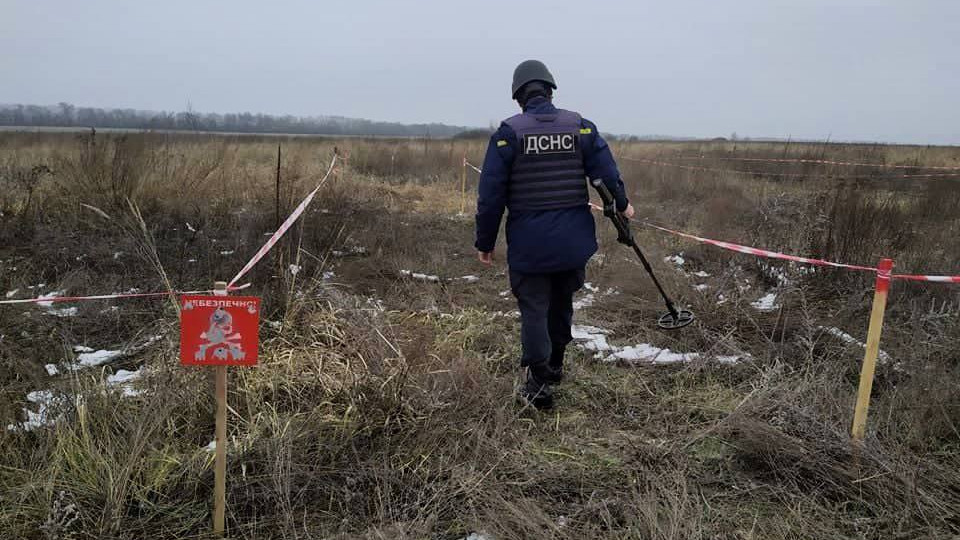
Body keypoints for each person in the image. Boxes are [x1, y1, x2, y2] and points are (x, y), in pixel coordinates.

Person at [475, 59, 633, 409]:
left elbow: (490, 198)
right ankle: (556, 364)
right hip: (573, 241)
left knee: (534, 306)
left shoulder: (508, 134)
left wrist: (484, 242)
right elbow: (606, 173)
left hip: (530, 243)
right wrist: (623, 203)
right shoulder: (581, 127)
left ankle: (538, 383)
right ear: (549, 89)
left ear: (518, 96)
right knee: (561, 300)